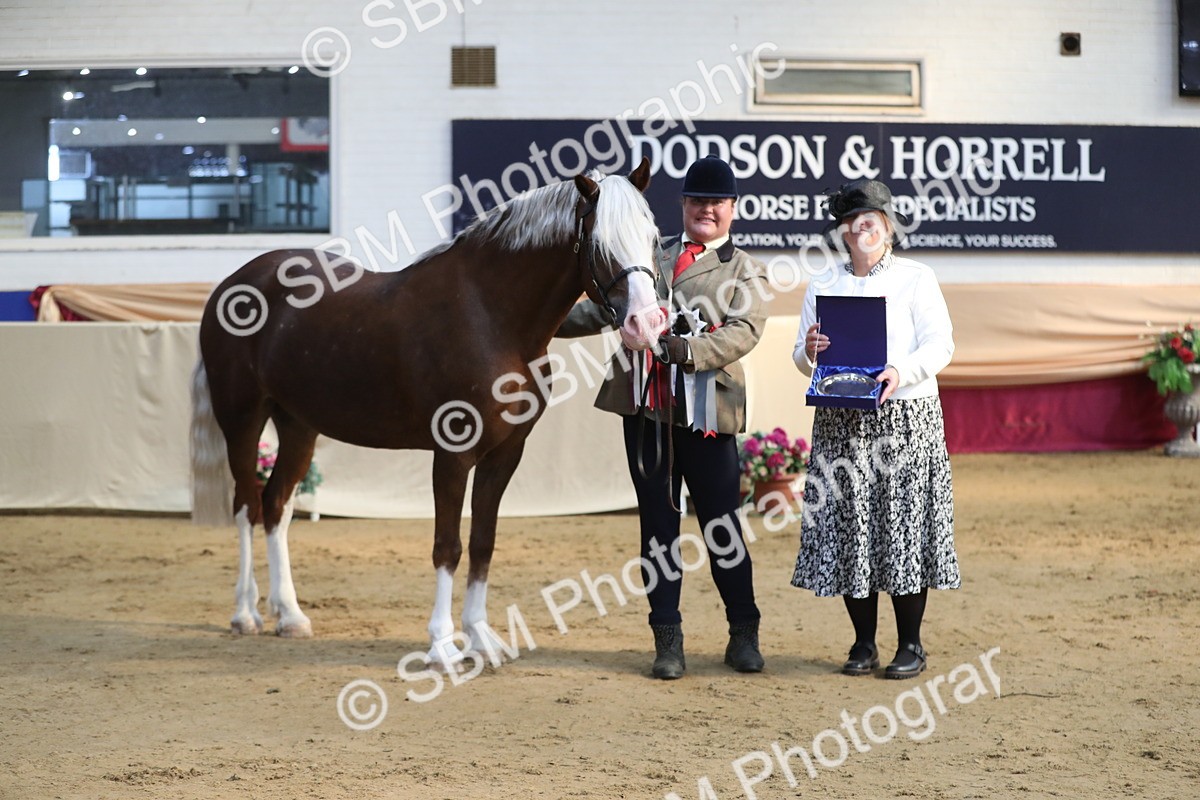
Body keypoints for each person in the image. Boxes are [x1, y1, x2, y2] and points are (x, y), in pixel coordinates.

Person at [558, 156, 769, 679]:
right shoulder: (651, 255)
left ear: (732, 210)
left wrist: (685, 351)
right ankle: (667, 638)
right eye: (698, 201)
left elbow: (743, 331)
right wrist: (540, 317)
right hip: (647, 406)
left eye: (716, 203)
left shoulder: (744, 267)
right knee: (658, 527)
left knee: (722, 525)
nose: (706, 210)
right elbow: (607, 308)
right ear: (684, 205)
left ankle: (743, 632)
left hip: (707, 412)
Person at [790, 178, 960, 679]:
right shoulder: (823, 284)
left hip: (905, 419)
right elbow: (801, 356)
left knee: (902, 528)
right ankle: (863, 643)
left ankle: (911, 644)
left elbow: (941, 345)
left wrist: (899, 372)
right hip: (841, 418)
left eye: (870, 219)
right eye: (851, 221)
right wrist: (810, 351)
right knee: (851, 529)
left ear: (887, 226)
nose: (861, 227)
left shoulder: (917, 278)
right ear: (843, 232)